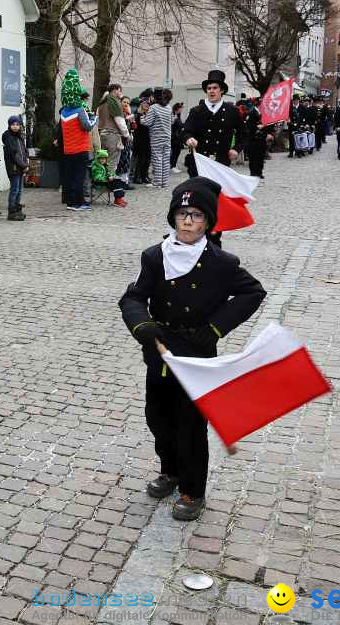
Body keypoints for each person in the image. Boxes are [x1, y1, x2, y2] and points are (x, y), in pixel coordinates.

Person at [119, 177, 265, 521]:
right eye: (182, 213)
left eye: (196, 215)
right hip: (160, 353)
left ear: (208, 222)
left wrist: (213, 328)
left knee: (190, 425)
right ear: (173, 217)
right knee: (158, 418)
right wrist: (144, 326)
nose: (188, 221)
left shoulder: (221, 262)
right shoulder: (155, 255)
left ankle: (192, 489)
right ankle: (169, 471)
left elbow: (253, 293)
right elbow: (134, 297)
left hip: (196, 356)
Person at [183, 70, 246, 177]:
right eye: (209, 88)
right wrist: (188, 138)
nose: (211, 91)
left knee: (217, 192)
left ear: (221, 90)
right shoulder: (196, 111)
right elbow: (186, 131)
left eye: (215, 88)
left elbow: (244, 134)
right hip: (199, 163)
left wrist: (236, 149)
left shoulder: (232, 111)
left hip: (221, 163)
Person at [57, 69, 94, 212]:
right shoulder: (80, 110)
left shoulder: (64, 112)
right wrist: (94, 119)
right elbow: (87, 126)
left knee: (70, 177)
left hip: (68, 149)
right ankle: (78, 203)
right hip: (80, 148)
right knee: (80, 177)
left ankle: (70, 202)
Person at [97, 84, 131, 205]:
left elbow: (97, 119)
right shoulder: (114, 102)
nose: (120, 93)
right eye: (120, 90)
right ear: (115, 90)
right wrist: (126, 134)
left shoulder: (101, 103)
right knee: (112, 168)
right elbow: (119, 120)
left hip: (101, 135)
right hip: (112, 135)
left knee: (103, 165)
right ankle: (118, 198)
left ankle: (104, 191)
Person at [142, 88, 174, 189]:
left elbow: (147, 122)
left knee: (157, 159)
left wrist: (143, 116)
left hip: (156, 137)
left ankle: (157, 183)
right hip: (167, 137)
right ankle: (164, 182)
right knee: (165, 160)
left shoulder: (154, 107)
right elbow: (172, 121)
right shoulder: (169, 108)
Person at [1, 115, 28, 221]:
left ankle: (17, 208)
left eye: (17, 124)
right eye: (13, 124)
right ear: (9, 125)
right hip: (14, 168)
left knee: (19, 190)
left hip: (20, 167)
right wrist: (23, 165)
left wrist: (26, 163)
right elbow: (14, 154)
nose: (15, 126)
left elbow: (24, 152)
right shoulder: (9, 137)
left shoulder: (19, 136)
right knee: (14, 189)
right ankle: (11, 211)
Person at [170, 103, 185, 173]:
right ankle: (172, 166)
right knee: (175, 152)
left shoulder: (178, 116)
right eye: (181, 108)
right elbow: (176, 125)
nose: (181, 110)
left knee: (177, 152)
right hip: (174, 137)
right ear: (177, 108)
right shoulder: (173, 115)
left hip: (178, 137)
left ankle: (174, 165)